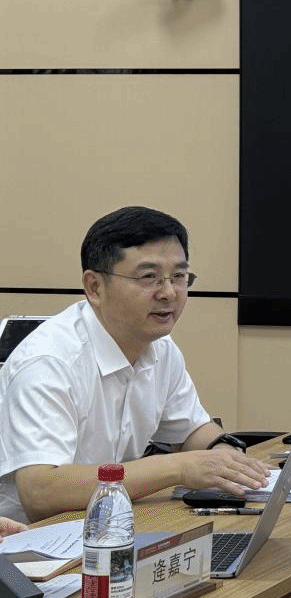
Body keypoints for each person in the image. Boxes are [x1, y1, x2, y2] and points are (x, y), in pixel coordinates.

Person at [0, 207, 270, 523]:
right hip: (31, 542)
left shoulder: (160, 348)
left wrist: (225, 453)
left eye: (179, 277)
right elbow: (41, 492)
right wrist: (179, 467)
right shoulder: (49, 362)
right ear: (94, 287)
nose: (169, 293)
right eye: (148, 277)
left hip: (110, 525)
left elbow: (191, 429)